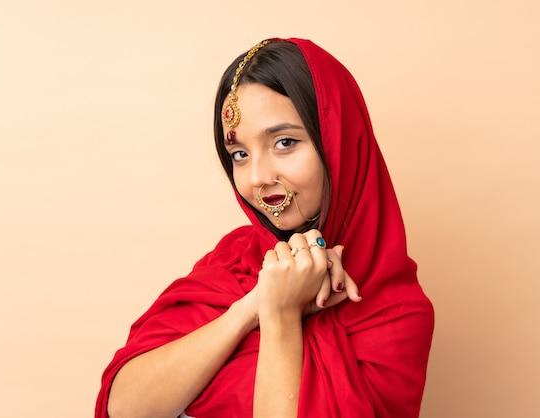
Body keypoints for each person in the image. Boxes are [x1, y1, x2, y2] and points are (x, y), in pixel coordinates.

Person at [95, 38, 434, 418]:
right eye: (239, 154)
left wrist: (282, 315)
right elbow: (124, 407)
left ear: (338, 144)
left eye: (284, 142)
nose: (257, 177)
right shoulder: (231, 260)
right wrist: (254, 305)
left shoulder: (396, 314)